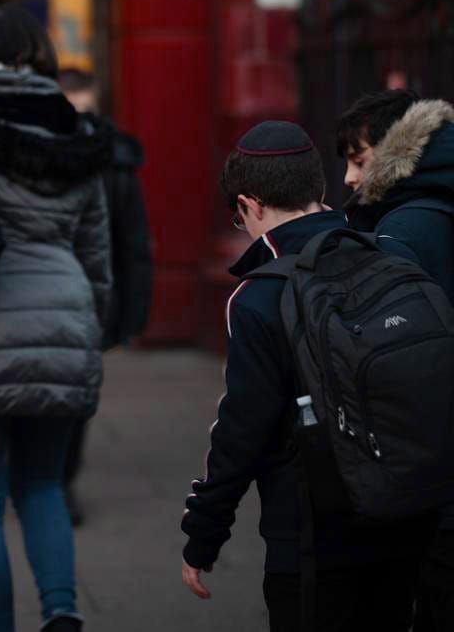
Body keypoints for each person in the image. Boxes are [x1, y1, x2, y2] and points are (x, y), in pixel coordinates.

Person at [180, 121, 426, 631]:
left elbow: (242, 431)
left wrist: (204, 534)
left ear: (250, 205)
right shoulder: (389, 253)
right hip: (406, 512)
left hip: (310, 532)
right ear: (319, 189)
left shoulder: (260, 296)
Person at [0, 5, 112, 632]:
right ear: (41, 57)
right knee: (41, 486)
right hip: (64, 321)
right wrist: (91, 330)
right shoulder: (78, 132)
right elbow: (97, 250)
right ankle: (61, 610)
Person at [336, 90, 454, 631]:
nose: (348, 179)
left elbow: (384, 347)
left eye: (358, 161)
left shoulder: (403, 230)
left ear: (394, 153)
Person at [57, 67, 154, 523]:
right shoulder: (37, 154)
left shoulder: (115, 160)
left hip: (94, 298)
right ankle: (45, 480)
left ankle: (60, 483)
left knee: (76, 400)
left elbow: (133, 241)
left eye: (86, 110)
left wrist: (132, 315)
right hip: (51, 292)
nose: (81, 121)